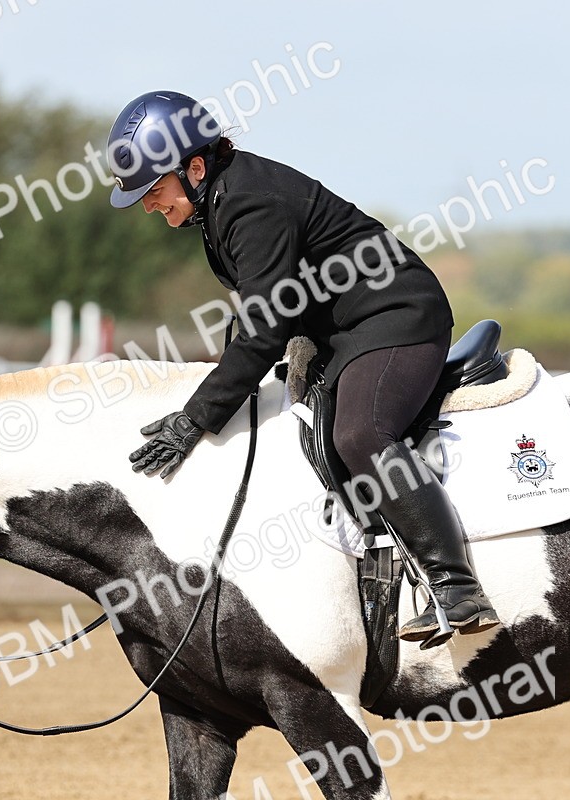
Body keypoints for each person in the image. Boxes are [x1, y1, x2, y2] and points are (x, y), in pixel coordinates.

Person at [108, 91, 498, 648]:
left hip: (397, 317)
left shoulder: (249, 202)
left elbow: (264, 329)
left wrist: (195, 418)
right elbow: (259, 309)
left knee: (360, 433)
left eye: (152, 190)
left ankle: (454, 584)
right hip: (344, 331)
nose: (147, 205)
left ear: (193, 167)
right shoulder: (220, 201)